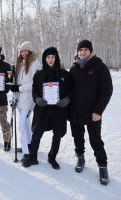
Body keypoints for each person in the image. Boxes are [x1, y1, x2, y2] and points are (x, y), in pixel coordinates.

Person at [68, 39, 113, 185]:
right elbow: (69, 88)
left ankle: (102, 166)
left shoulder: (99, 67)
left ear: (90, 51)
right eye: (80, 50)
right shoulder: (74, 68)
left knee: (96, 141)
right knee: (77, 137)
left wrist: (98, 111)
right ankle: (80, 157)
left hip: (93, 113)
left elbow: (107, 90)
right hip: (75, 112)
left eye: (85, 50)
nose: (82, 52)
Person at [22, 47, 71, 170]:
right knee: (37, 133)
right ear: (44, 59)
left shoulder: (64, 74)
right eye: (48, 57)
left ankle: (52, 157)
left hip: (58, 109)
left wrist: (67, 99)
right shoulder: (39, 74)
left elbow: (72, 90)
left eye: (52, 57)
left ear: (56, 58)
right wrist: (37, 99)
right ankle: (33, 157)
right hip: (42, 109)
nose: (50, 59)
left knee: (57, 134)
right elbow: (34, 89)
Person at [10, 41, 41, 161]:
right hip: (20, 100)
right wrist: (14, 85)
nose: (23, 53)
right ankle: (28, 146)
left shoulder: (35, 64)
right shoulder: (21, 64)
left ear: (30, 51)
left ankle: (27, 153)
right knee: (26, 125)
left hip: (29, 100)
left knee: (22, 125)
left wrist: (20, 88)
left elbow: (35, 83)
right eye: (21, 51)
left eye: (25, 50)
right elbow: (18, 82)